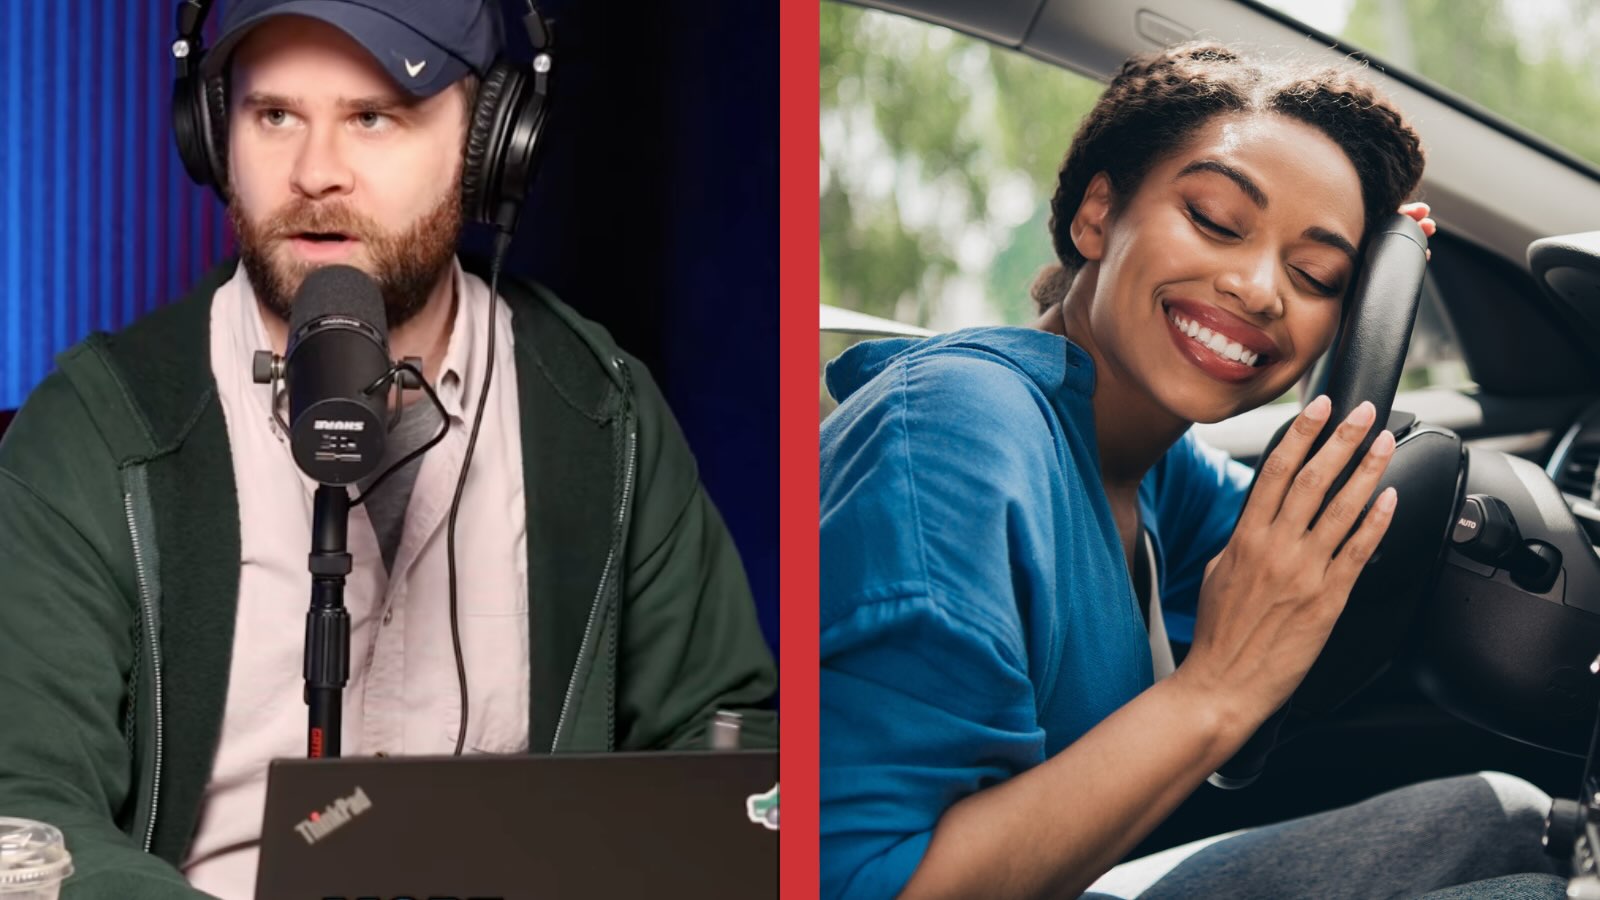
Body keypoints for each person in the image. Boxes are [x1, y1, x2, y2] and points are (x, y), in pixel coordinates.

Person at [0, 2, 775, 898]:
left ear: (489, 143)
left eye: (372, 116)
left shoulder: (606, 416)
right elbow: (25, 810)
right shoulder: (97, 434)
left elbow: (735, 748)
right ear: (212, 135)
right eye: (275, 115)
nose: (315, 172)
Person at [819, 41, 1564, 899]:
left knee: (1507, 818)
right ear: (1097, 215)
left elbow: (1295, 562)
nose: (1259, 289)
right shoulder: (955, 440)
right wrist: (1218, 691)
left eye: (1317, 274)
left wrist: (1382, 301)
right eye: (1214, 219)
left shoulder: (1151, 463)